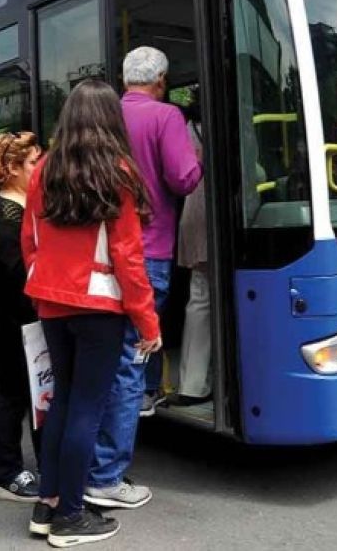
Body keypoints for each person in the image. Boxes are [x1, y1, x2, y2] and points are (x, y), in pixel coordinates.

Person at [22, 79, 161, 547]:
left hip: (50, 300)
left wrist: (45, 282)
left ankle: (49, 503)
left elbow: (30, 241)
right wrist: (148, 321)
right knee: (87, 408)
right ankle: (71, 517)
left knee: (62, 403)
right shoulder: (118, 170)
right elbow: (129, 256)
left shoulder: (43, 169)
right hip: (100, 303)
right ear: (110, 119)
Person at [84, 46, 202, 511]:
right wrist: (199, 157)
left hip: (100, 254)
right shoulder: (166, 115)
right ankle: (107, 475)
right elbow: (184, 178)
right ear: (162, 80)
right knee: (132, 361)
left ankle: (94, 460)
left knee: (109, 360)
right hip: (148, 251)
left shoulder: (103, 118)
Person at [0, 132, 43, 502]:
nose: (40, 169)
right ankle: (5, 474)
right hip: (12, 321)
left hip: (18, 319)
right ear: (12, 168)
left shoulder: (19, 207)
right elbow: (20, 273)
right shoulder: (7, 215)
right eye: (34, 163)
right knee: (14, 396)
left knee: (29, 395)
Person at [170, 104, 211, 406]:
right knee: (204, 299)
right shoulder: (215, 128)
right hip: (208, 218)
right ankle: (196, 384)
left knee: (200, 299)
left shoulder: (186, 131)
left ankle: (192, 383)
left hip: (192, 218)